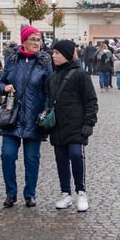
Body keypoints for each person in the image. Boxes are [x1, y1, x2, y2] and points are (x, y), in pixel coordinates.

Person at [0, 25, 52, 208]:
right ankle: (10, 193)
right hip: (12, 116)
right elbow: (0, 82)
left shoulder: (44, 62)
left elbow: (49, 90)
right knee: (7, 155)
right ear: (24, 41)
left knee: (32, 158)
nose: (37, 43)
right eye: (33, 39)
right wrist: (4, 88)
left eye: (39, 40)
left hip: (34, 117)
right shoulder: (12, 60)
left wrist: (45, 111)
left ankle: (30, 194)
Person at [47, 40, 98, 212]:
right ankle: (65, 193)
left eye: (57, 53)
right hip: (58, 126)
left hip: (76, 125)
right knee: (61, 159)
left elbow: (91, 100)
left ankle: (81, 192)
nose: (53, 56)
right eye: (53, 53)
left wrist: (89, 122)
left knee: (76, 155)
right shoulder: (52, 77)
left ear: (67, 54)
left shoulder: (81, 74)